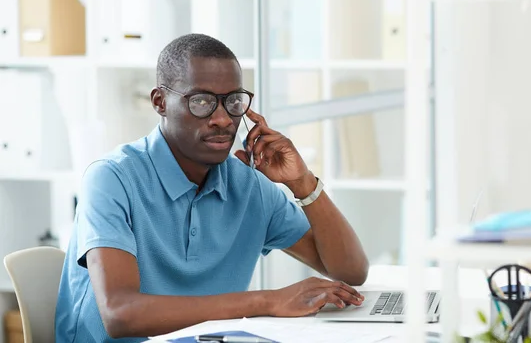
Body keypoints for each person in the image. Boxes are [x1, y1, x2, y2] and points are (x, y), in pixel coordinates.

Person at [55, 33, 369, 342]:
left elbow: (350, 272)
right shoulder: (112, 179)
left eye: (233, 101)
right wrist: (267, 302)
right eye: (202, 101)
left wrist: (302, 183)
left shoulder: (249, 185)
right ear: (160, 102)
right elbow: (121, 313)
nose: (222, 119)